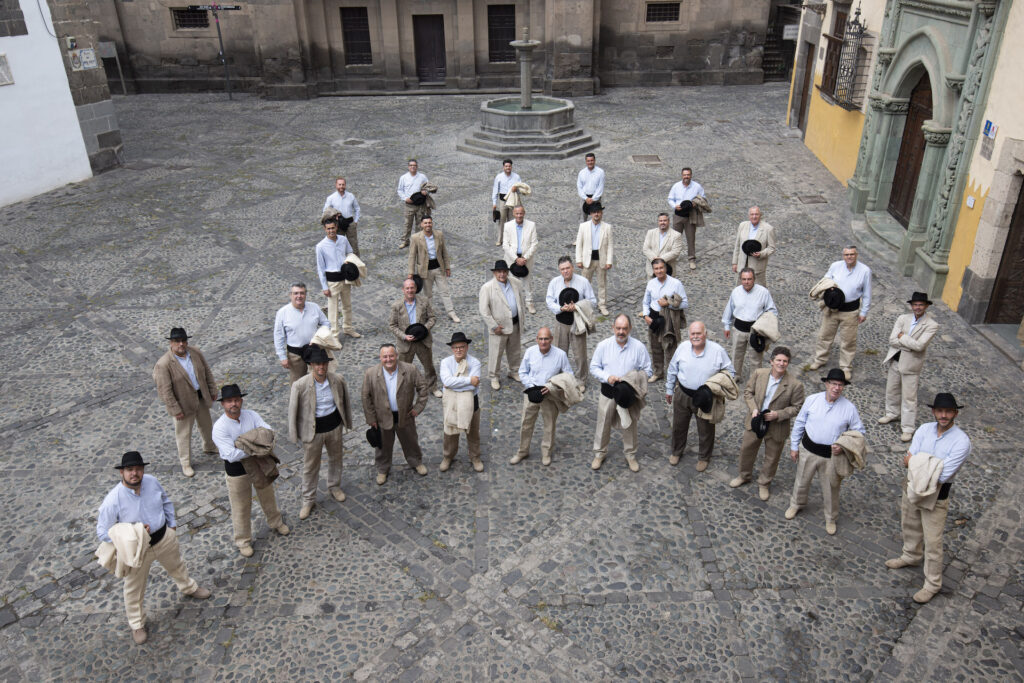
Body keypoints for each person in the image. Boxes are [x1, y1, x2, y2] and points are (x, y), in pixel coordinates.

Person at [96, 451, 211, 644]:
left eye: (138, 469)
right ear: (121, 473)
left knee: (177, 566)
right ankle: (136, 624)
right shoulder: (112, 500)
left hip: (164, 538)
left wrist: (172, 525)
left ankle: (189, 587)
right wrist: (133, 532)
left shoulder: (151, 481)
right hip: (138, 550)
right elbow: (102, 533)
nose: (135, 473)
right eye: (130, 470)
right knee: (134, 588)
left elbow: (165, 501)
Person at [885, 393, 971, 604]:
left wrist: (918, 462)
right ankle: (911, 556)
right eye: (940, 411)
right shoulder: (924, 429)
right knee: (909, 525)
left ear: (955, 413)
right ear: (933, 411)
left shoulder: (962, 441)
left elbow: (943, 475)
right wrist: (930, 463)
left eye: (948, 411)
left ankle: (933, 584)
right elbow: (907, 461)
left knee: (933, 542)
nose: (943, 415)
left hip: (937, 495)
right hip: (912, 487)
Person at [212, 384, 289, 557]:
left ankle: (276, 522)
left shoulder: (251, 415)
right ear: (223, 404)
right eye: (230, 401)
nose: (234, 403)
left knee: (267, 495)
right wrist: (255, 444)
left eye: (237, 400)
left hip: (259, 464)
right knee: (240, 507)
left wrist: (244, 443)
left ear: (241, 400)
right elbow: (230, 455)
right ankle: (243, 541)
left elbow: (268, 433)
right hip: (237, 471)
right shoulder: (219, 427)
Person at [785, 369, 865, 535]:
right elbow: (800, 423)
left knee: (831, 489)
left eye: (840, 385)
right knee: (801, 481)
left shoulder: (849, 408)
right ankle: (796, 504)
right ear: (826, 384)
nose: (836, 388)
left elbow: (859, 433)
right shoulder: (812, 400)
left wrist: (844, 446)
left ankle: (830, 517)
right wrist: (794, 446)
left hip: (831, 457)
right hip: (808, 450)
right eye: (834, 384)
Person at [730, 346, 804, 501]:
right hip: (755, 420)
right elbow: (748, 392)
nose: (781, 363)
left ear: (788, 363)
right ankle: (744, 475)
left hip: (777, 425)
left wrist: (778, 414)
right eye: (778, 360)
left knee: (772, 457)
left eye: (785, 361)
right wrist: (754, 409)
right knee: (747, 450)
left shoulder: (795, 385)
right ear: (771, 361)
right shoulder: (759, 374)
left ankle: (764, 483)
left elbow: (797, 407)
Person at [287, 347, 352, 520]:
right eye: (317, 364)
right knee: (310, 467)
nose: (321, 367)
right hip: (312, 433)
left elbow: (345, 402)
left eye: (323, 363)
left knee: (336, 459)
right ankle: (308, 500)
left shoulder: (337, 379)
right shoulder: (300, 385)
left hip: (334, 428)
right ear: (311, 365)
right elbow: (293, 411)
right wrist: (295, 435)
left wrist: (346, 423)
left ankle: (334, 486)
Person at [665, 321, 735, 472]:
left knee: (706, 429)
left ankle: (704, 457)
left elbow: (731, 372)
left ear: (705, 334)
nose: (695, 336)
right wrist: (669, 389)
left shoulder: (717, 351)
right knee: (679, 426)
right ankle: (676, 451)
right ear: (689, 335)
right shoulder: (682, 348)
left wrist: (717, 385)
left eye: (699, 333)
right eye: (693, 334)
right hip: (683, 394)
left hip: (706, 398)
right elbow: (672, 369)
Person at [590, 314, 652, 472]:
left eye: (624, 328)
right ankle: (599, 453)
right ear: (613, 328)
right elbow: (594, 367)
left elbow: (648, 370)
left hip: (627, 394)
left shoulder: (638, 347)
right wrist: (607, 377)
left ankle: (630, 455)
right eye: (618, 328)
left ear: (630, 328)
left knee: (630, 426)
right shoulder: (603, 346)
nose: (621, 332)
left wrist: (634, 380)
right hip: (608, 392)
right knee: (603, 424)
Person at [152, 327, 217, 477]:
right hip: (182, 403)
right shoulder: (164, 364)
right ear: (171, 343)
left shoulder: (195, 352)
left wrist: (212, 389)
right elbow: (164, 391)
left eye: (183, 341)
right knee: (183, 434)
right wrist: (175, 409)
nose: (181, 344)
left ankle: (209, 446)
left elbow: (207, 371)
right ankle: (185, 463)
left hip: (200, 396)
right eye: (177, 341)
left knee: (206, 425)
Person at [362, 343, 430, 485]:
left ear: (397, 355)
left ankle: (416, 462)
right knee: (383, 446)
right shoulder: (371, 373)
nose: (388, 359)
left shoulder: (410, 369)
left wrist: (418, 408)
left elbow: (423, 388)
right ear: (380, 358)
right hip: (382, 418)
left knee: (411, 441)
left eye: (391, 356)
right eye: (385, 356)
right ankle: (382, 469)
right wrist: (371, 418)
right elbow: (365, 397)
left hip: (405, 415)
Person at [879, 292, 939, 442]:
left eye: (920, 305)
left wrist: (902, 337)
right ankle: (891, 413)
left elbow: (919, 346)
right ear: (911, 306)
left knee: (909, 398)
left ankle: (907, 428)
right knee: (891, 389)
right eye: (915, 305)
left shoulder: (932, 325)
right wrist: (908, 342)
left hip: (911, 365)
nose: (917, 307)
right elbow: (892, 340)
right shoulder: (902, 318)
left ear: (926, 306)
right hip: (896, 359)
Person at [512, 327, 574, 466]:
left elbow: (569, 376)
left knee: (549, 425)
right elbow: (522, 372)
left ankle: (546, 453)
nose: (543, 342)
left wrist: (553, 387)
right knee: (526, 424)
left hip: (550, 395)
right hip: (531, 393)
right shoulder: (530, 352)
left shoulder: (560, 355)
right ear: (536, 339)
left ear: (551, 339)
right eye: (541, 339)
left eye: (546, 339)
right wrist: (530, 386)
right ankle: (522, 451)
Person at [809, 246, 872, 380]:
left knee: (848, 341)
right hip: (832, 309)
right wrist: (830, 286)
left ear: (857, 254)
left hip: (850, 311)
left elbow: (867, 293)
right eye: (847, 254)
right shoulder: (835, 266)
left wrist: (864, 312)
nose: (849, 257)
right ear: (843, 255)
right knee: (824, 336)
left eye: (852, 254)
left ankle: (845, 367)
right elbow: (825, 279)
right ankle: (820, 359)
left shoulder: (865, 271)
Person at [545, 256, 597, 387]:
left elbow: (593, 301)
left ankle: (581, 380)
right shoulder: (554, 283)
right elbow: (549, 300)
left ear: (572, 267)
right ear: (559, 270)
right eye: (562, 269)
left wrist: (577, 306)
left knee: (580, 355)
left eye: (568, 268)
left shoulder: (583, 282)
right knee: (559, 352)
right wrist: (560, 308)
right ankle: (560, 379)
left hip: (577, 322)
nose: (565, 271)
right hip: (561, 323)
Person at [389, 278, 442, 398]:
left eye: (412, 287)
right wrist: (404, 336)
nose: (410, 290)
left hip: (423, 341)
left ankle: (433, 387)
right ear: (403, 290)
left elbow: (432, 318)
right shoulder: (396, 306)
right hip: (405, 343)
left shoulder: (424, 301)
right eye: (407, 288)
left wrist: (424, 328)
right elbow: (392, 326)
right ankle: (403, 390)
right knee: (403, 369)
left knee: (429, 367)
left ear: (416, 288)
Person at [722, 268, 778, 382]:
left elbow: (772, 310)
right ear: (741, 279)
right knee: (736, 355)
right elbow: (729, 308)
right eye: (744, 279)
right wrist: (726, 325)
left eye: (749, 279)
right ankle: (735, 376)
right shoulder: (736, 292)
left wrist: (764, 325)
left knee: (756, 358)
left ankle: (755, 380)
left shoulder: (763, 292)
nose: (746, 282)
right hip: (739, 329)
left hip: (755, 331)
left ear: (754, 279)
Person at [439, 332, 484, 472]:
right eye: (455, 347)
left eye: (462, 347)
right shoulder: (446, 362)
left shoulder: (475, 362)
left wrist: (454, 384)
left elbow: (473, 386)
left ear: (467, 347)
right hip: (452, 403)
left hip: (471, 403)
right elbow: (446, 381)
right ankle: (448, 456)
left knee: (473, 432)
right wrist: (469, 380)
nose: (458, 350)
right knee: (450, 432)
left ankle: (475, 457)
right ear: (452, 349)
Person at [478, 259, 525, 391]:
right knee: (495, 353)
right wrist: (494, 326)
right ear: (494, 273)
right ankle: (494, 376)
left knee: (515, 350)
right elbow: (484, 310)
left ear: (507, 272)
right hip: (499, 328)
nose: (502, 274)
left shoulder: (516, 283)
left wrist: (522, 319)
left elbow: (520, 302)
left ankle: (514, 371)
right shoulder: (487, 288)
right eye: (499, 272)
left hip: (515, 323)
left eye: (504, 271)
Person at [273, 283, 330, 384]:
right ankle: (298, 400)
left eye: (302, 293)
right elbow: (278, 336)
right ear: (290, 295)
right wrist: (282, 357)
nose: (299, 296)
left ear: (306, 294)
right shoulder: (282, 313)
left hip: (315, 351)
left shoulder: (314, 307)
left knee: (319, 380)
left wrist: (319, 337)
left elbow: (326, 323)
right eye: (296, 293)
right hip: (295, 355)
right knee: (297, 384)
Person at [643, 258, 688, 382]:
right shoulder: (651, 283)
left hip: (669, 319)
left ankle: (673, 376)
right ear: (653, 270)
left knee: (670, 347)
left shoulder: (676, 283)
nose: (659, 271)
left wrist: (668, 303)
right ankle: (658, 372)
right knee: (655, 346)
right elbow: (645, 302)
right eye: (656, 269)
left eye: (661, 268)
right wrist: (646, 316)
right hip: (654, 317)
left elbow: (685, 303)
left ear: (666, 268)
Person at [408, 216, 460, 323]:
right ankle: (430, 314)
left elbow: (444, 252)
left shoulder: (439, 235)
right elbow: (412, 256)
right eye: (425, 223)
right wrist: (411, 273)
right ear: (421, 225)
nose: (428, 225)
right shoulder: (416, 238)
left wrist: (447, 267)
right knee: (428, 294)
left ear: (432, 224)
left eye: (429, 223)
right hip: (425, 270)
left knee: (445, 291)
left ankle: (451, 312)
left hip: (438, 268)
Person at [315, 214, 360, 338]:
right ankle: (334, 335)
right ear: (325, 229)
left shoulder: (343, 240)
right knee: (333, 309)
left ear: (336, 227)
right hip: (332, 280)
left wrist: (349, 261)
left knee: (347, 305)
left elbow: (350, 252)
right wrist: (324, 286)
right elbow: (320, 268)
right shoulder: (320, 246)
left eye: (333, 228)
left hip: (345, 278)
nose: (331, 231)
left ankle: (348, 328)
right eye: (328, 229)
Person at [574, 202, 613, 315]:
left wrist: (609, 261)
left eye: (598, 212)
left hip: (601, 259)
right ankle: (585, 305)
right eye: (594, 212)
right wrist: (579, 259)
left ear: (601, 213)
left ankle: (602, 305)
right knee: (585, 283)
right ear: (591, 214)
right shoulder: (583, 226)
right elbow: (579, 244)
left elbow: (610, 246)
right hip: (587, 260)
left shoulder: (607, 227)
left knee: (602, 284)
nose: (597, 214)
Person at [667, 167, 706, 270]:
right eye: (685, 175)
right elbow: (670, 198)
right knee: (675, 238)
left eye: (688, 175)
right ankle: (673, 257)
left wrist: (696, 203)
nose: (686, 177)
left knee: (691, 238)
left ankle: (691, 259)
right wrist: (674, 205)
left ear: (691, 175)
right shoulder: (676, 186)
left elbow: (703, 197)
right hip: (678, 215)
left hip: (690, 216)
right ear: (682, 175)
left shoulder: (697, 187)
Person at [502, 205, 538, 314]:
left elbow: (534, 244)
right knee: (512, 281)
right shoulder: (507, 226)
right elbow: (505, 245)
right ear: (513, 214)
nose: (519, 216)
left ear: (524, 213)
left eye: (521, 213)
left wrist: (524, 258)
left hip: (526, 258)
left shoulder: (531, 225)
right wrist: (516, 259)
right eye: (517, 213)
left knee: (527, 281)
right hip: (512, 259)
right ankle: (514, 303)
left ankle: (529, 302)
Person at [730, 206, 775, 286]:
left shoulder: (768, 229)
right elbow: (737, 245)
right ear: (749, 216)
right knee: (741, 291)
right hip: (742, 266)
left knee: (759, 292)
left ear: (760, 215)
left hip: (757, 267)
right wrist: (734, 263)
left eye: (756, 214)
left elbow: (771, 248)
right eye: (752, 214)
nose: (754, 216)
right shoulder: (742, 225)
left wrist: (761, 254)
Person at [322, 176, 361, 254]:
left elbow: (357, 209)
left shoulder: (351, 196)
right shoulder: (331, 198)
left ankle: (356, 264)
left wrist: (356, 221)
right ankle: (341, 263)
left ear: (345, 185)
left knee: (354, 245)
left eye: (343, 184)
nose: (341, 187)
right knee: (339, 245)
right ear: (336, 185)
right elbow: (325, 211)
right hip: (338, 224)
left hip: (350, 223)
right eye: (339, 184)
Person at [396, 159, 430, 249]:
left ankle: (418, 242)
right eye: (411, 165)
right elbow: (400, 190)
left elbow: (428, 187)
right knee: (407, 224)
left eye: (414, 165)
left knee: (419, 224)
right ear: (408, 167)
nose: (413, 167)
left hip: (420, 205)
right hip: (409, 205)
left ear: (417, 166)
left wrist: (425, 192)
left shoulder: (422, 177)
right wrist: (405, 198)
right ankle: (405, 241)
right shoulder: (403, 178)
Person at [642, 212, 684, 278]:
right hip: (652, 270)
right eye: (660, 221)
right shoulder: (650, 232)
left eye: (665, 220)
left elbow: (676, 252)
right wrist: (654, 259)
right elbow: (646, 248)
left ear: (669, 221)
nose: (662, 222)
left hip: (668, 271)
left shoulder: (676, 235)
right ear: (658, 222)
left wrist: (660, 259)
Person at [492, 158, 522, 245]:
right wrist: (494, 203)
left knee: (512, 221)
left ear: (511, 167)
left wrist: (517, 189)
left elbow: (521, 189)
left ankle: (511, 240)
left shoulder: (516, 177)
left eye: (509, 166)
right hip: (502, 201)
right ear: (503, 167)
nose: (508, 168)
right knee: (501, 220)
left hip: (512, 201)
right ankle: (500, 240)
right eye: (506, 166)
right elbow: (495, 190)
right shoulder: (499, 177)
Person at [576, 152, 604, 217]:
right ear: (586, 161)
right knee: (582, 219)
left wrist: (593, 199)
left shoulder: (600, 172)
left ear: (594, 161)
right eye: (588, 161)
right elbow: (579, 187)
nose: (590, 162)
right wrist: (586, 198)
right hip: (584, 199)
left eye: (592, 160)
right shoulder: (581, 173)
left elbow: (600, 187)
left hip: (596, 199)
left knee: (597, 218)